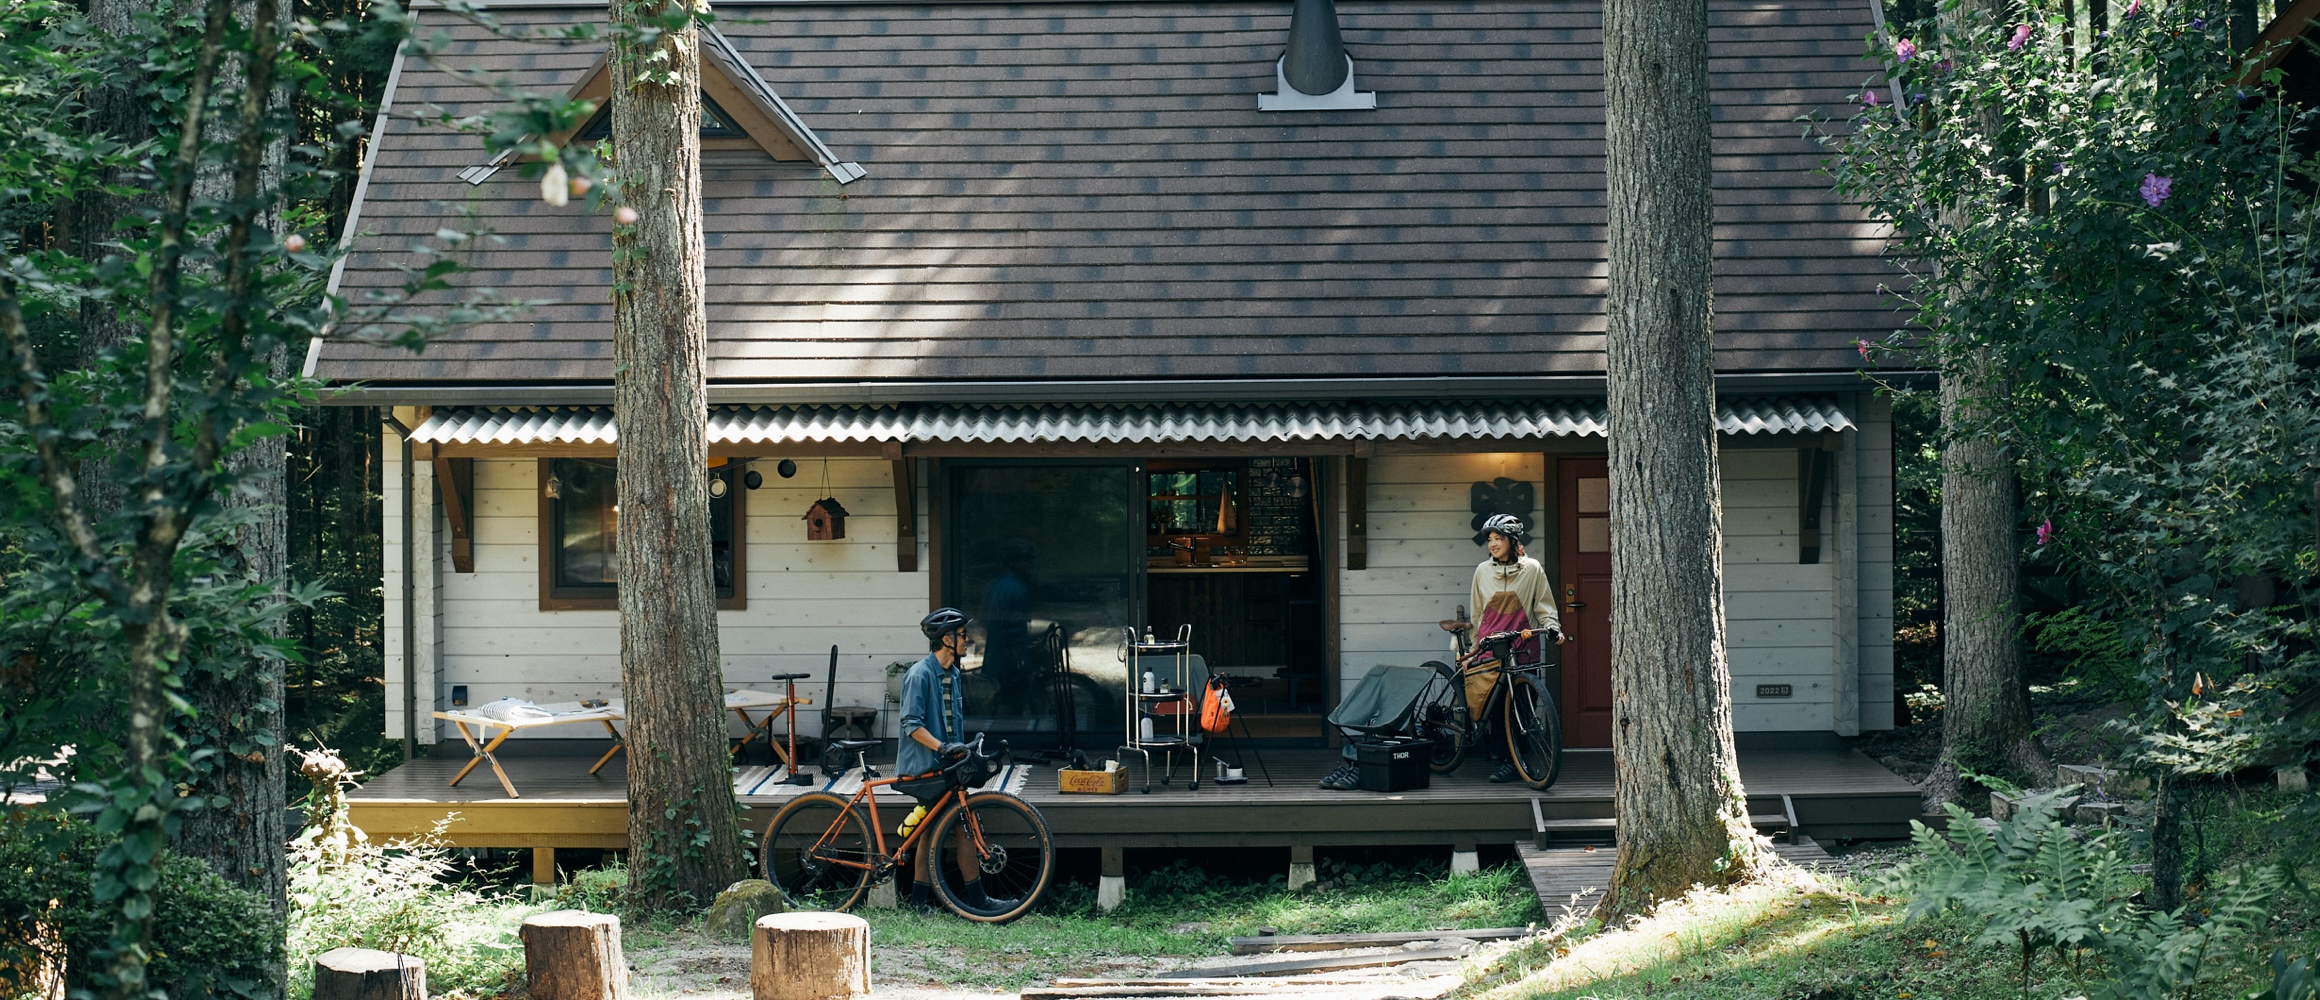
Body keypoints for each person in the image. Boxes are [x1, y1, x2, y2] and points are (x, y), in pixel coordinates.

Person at [896, 607, 1004, 913]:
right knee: (952, 827)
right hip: (926, 765)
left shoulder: (953, 674)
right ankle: (976, 900)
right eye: (962, 635)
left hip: (947, 765)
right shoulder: (919, 675)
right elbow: (911, 724)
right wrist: (943, 747)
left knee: (944, 827)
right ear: (946, 639)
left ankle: (923, 902)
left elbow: (952, 722)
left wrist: (962, 749)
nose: (967, 639)